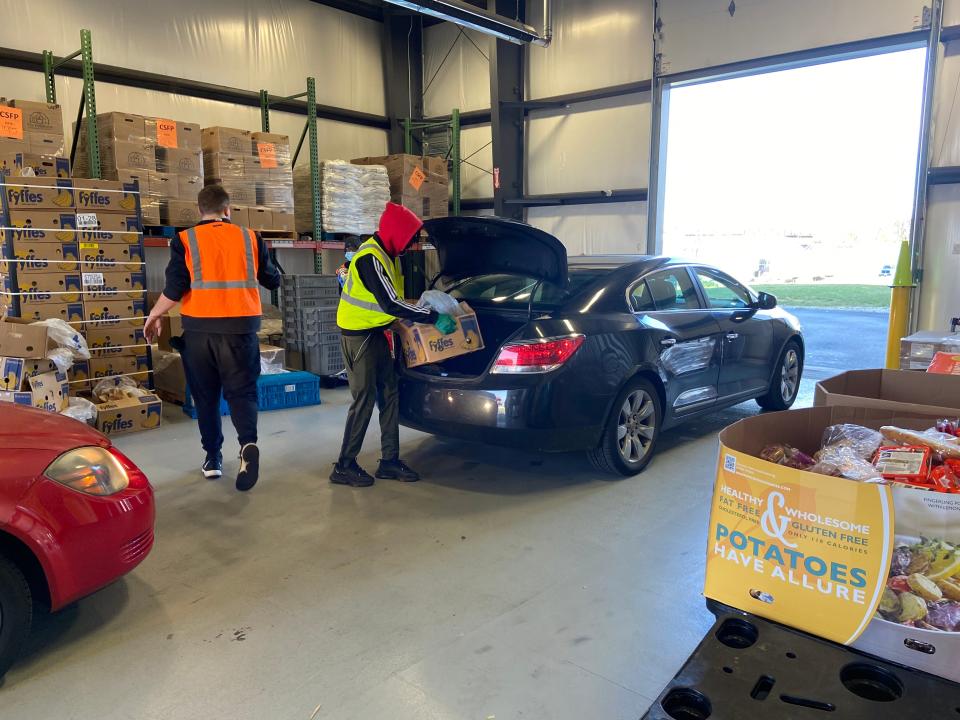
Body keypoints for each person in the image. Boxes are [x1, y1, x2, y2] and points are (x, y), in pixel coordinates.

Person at [144, 184, 281, 491]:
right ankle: (247, 446)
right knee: (242, 393)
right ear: (227, 210)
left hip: (199, 334)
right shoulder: (251, 238)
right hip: (240, 331)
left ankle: (213, 458)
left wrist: (155, 315)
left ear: (199, 211)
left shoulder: (184, 239)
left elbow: (175, 288)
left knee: (206, 398)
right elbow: (273, 281)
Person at [332, 202, 456, 488]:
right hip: (358, 337)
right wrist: (432, 317)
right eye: (409, 238)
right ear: (396, 234)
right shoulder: (370, 259)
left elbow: (389, 303)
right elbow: (390, 303)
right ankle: (344, 465)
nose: (411, 244)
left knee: (389, 393)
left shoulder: (388, 256)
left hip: (375, 332)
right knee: (363, 402)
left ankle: (389, 461)